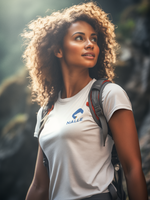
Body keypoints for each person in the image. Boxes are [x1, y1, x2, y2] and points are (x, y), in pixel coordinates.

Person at [22, 2, 148, 200]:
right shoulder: (46, 112)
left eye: (94, 39)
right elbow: (39, 186)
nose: (90, 44)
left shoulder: (108, 95)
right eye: (79, 38)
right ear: (58, 50)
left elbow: (132, 168)